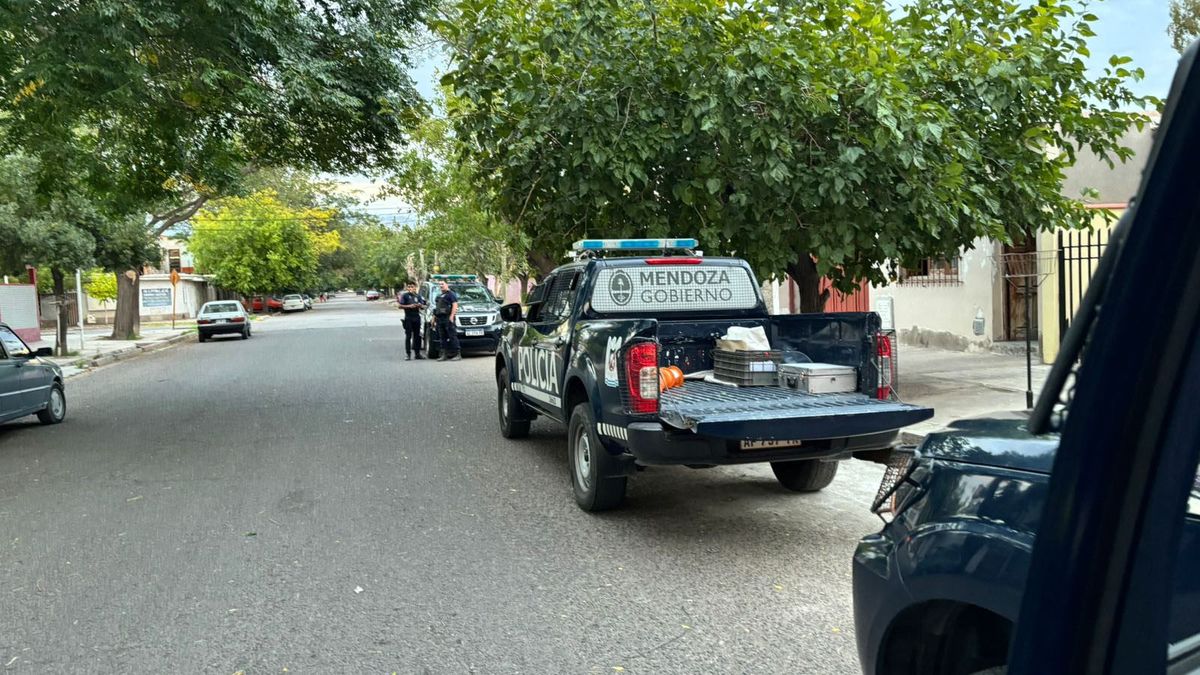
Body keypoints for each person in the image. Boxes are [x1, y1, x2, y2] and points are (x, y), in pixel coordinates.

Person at [397, 281, 427, 360]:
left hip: (416, 317)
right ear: (407, 288)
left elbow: (423, 305)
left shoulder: (418, 296)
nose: (410, 288)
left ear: (415, 287)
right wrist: (409, 306)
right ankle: (408, 354)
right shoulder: (405, 296)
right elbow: (400, 306)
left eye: (412, 287)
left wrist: (420, 305)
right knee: (408, 336)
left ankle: (417, 354)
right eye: (409, 287)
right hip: (408, 318)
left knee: (417, 336)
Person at [433, 279, 461, 361]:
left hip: (447, 317)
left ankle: (457, 354)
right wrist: (434, 318)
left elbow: (455, 305)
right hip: (439, 318)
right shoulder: (439, 296)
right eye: (440, 284)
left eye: (442, 284)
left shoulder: (451, 294)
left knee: (452, 336)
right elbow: (437, 308)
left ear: (447, 284)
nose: (441, 286)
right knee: (442, 337)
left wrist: (452, 316)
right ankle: (444, 355)